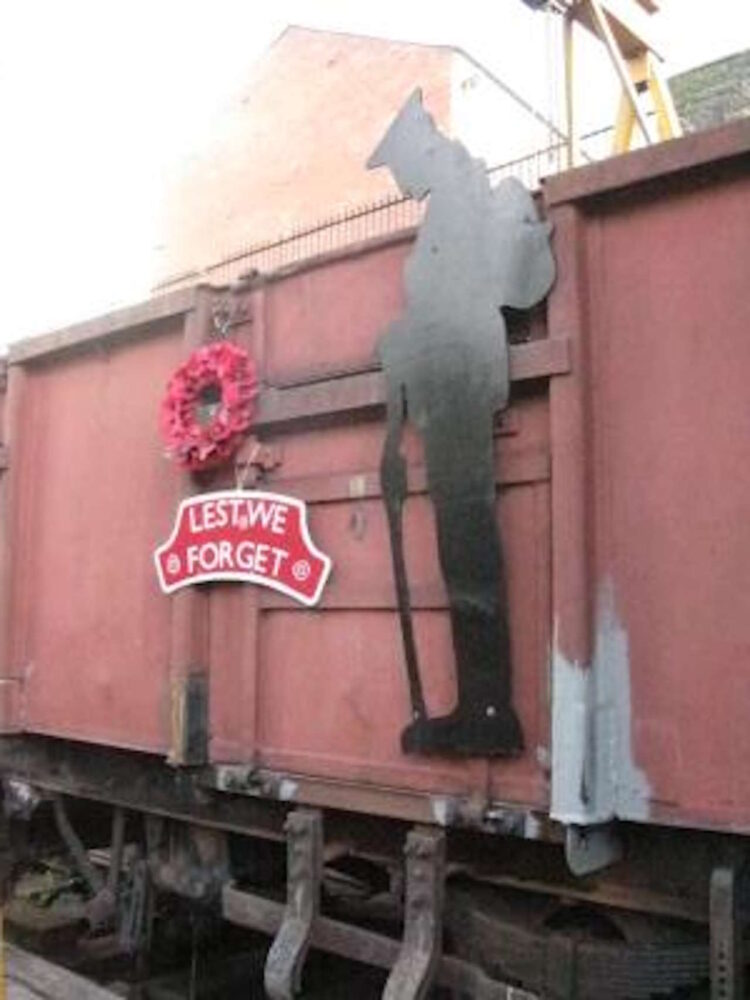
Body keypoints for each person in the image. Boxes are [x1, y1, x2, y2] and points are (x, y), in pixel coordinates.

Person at [368, 90, 555, 755]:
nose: (399, 184)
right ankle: (482, 705)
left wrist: (402, 339)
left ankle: (487, 712)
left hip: (460, 393)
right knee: (464, 550)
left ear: (420, 148)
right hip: (453, 391)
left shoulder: (454, 198)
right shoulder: (455, 195)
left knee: (469, 552)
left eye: (398, 169)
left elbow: (452, 307)